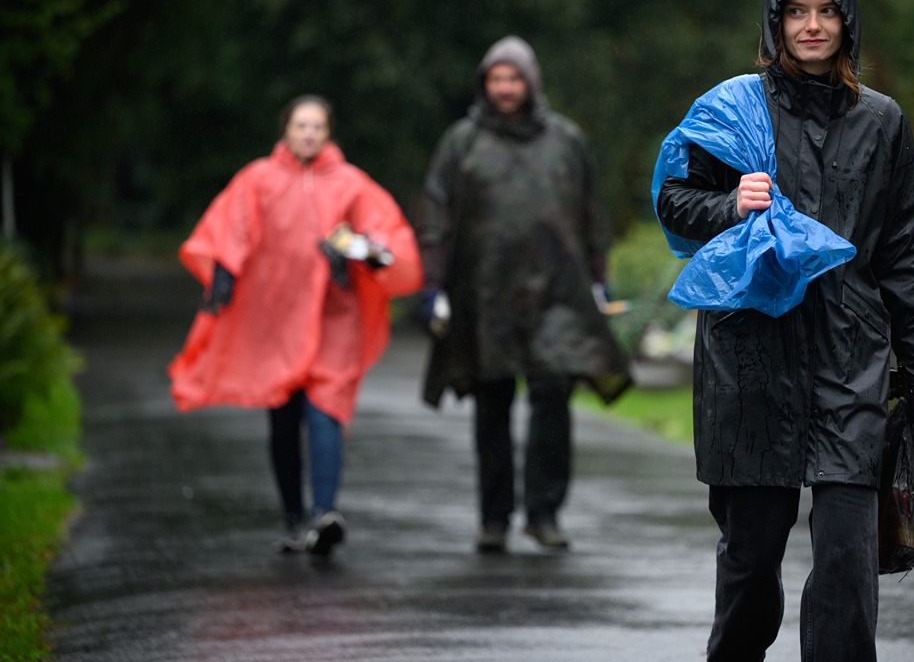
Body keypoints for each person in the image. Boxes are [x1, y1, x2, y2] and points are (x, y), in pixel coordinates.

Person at [654, 0, 914, 661]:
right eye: (796, 11)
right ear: (775, 22)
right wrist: (730, 204)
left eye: (826, 11)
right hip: (751, 358)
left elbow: (903, 251)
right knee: (751, 563)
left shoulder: (883, 123)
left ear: (847, 22)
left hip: (850, 357)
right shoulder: (733, 110)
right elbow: (674, 202)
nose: (812, 26)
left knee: (847, 561)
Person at [168, 94, 423, 556]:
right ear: (285, 130)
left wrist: (359, 252)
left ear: (329, 133)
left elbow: (386, 239)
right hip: (275, 319)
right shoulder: (258, 179)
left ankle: (325, 514)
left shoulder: (351, 184)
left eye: (317, 127)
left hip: (333, 320)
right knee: (283, 418)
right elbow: (230, 228)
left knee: (327, 409)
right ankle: (293, 516)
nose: (308, 135)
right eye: (301, 126)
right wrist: (224, 276)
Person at [417, 35, 632, 554]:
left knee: (553, 394)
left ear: (530, 82)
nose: (505, 88)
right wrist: (433, 286)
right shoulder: (462, 142)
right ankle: (494, 519)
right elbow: (435, 215)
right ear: (484, 85)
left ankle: (545, 513)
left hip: (557, 292)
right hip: (483, 293)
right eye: (496, 79)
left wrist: (599, 280)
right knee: (491, 402)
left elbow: (590, 215)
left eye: (514, 78)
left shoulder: (566, 140)